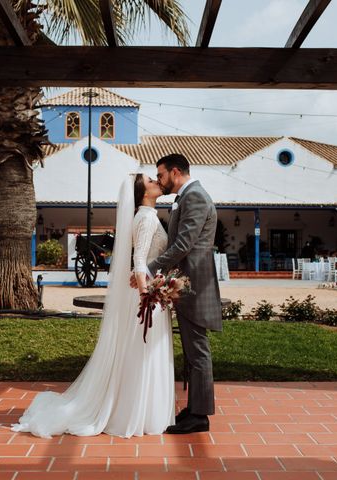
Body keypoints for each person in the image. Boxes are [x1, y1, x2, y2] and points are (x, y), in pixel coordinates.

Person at [11, 173, 174, 438]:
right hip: (146, 294)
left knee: (140, 354)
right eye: (150, 181)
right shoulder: (145, 218)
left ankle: (141, 409)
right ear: (143, 192)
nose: (156, 181)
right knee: (143, 354)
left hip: (149, 290)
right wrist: (147, 297)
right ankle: (139, 413)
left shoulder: (147, 216)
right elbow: (140, 260)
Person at [145, 153, 222, 434]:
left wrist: (151, 268)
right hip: (185, 284)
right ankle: (194, 408)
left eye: (162, 174)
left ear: (175, 172)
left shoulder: (195, 197)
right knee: (192, 350)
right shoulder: (185, 197)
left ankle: (200, 416)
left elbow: (184, 244)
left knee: (198, 350)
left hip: (195, 286)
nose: (160, 180)